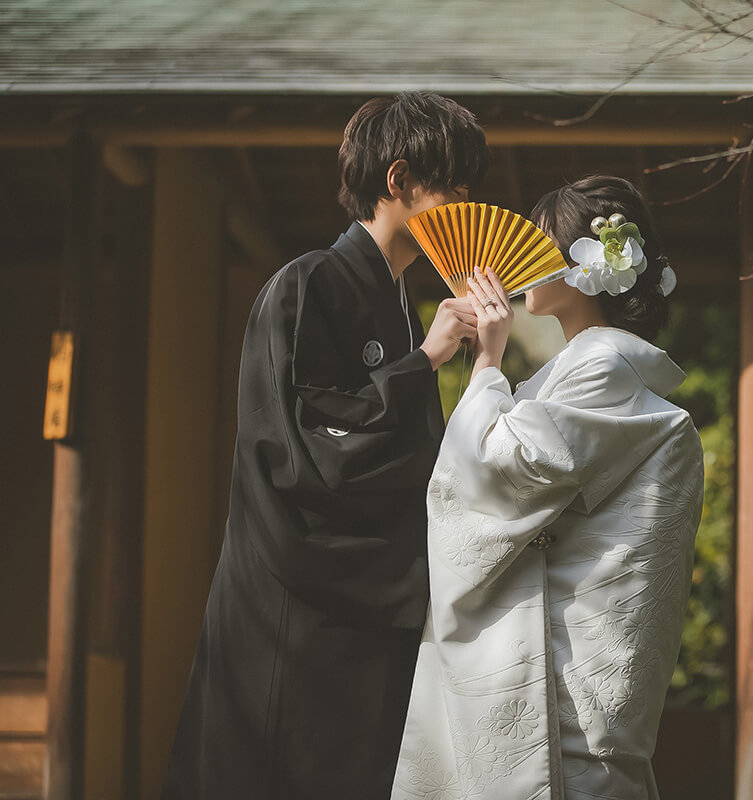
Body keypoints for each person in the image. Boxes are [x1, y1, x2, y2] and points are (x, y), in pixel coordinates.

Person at [162, 92, 487, 800]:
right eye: (453, 185)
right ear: (398, 181)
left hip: (370, 614)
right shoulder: (305, 285)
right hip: (294, 617)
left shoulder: (406, 309)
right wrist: (422, 362)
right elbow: (305, 448)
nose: (465, 204)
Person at [392, 176, 702, 800]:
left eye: (543, 249)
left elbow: (499, 474)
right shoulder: (577, 371)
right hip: (567, 656)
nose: (525, 265)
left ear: (588, 267)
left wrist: (486, 364)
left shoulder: (602, 367)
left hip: (559, 671)